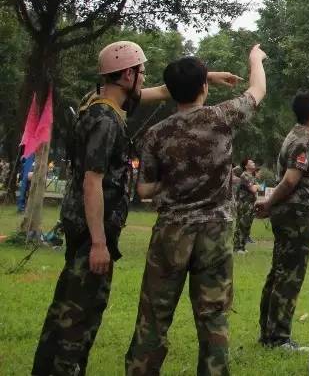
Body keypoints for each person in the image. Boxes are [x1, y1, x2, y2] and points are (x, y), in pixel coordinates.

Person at [32, 41, 240, 376]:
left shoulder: (97, 102)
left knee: (69, 307)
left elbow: (154, 93)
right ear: (127, 75)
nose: (145, 78)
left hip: (85, 225)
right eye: (141, 72)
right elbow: (92, 182)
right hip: (91, 232)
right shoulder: (106, 121)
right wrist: (99, 243)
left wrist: (204, 78)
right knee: (78, 316)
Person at [124, 47, 267, 374]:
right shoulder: (222, 117)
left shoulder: (156, 134)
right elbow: (257, 90)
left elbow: (144, 189)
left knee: (154, 317)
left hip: (171, 233)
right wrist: (255, 59)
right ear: (205, 86)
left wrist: (173, 183)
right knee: (213, 317)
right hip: (215, 234)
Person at [256, 91, 309, 352]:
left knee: (279, 271)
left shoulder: (301, 135)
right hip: (296, 213)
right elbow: (290, 180)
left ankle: (268, 333)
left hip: (290, 211)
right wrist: (269, 202)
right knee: (290, 274)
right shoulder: (303, 140)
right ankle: (278, 338)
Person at [233, 158, 259, 253]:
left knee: (247, 225)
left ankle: (242, 247)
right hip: (244, 204)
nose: (253, 163)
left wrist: (256, 186)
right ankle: (237, 247)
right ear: (246, 166)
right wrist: (256, 186)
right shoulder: (244, 175)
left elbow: (257, 187)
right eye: (251, 162)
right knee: (241, 225)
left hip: (251, 204)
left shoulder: (252, 176)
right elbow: (253, 189)